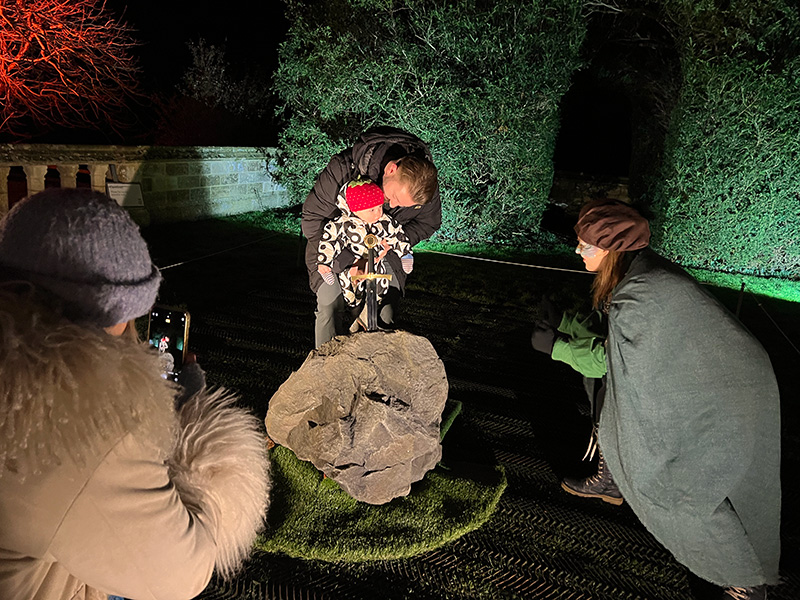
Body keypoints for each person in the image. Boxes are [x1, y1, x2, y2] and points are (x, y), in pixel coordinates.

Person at [0, 189, 271, 600]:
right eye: (130, 315)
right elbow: (182, 574)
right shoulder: (81, 424)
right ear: (114, 314)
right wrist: (182, 418)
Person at [532, 199, 781, 600]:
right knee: (671, 471)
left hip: (721, 396)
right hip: (704, 386)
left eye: (586, 245)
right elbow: (614, 339)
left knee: (682, 489)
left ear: (612, 249)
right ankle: (612, 480)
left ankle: (746, 583)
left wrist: (557, 347)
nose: (578, 251)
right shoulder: (635, 275)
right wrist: (565, 323)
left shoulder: (642, 293)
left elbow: (610, 361)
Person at [303, 126, 441, 347]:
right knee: (330, 304)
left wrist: (393, 241)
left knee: (385, 314)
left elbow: (429, 223)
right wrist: (348, 261)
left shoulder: (422, 184)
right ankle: (325, 363)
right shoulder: (345, 168)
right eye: (394, 197)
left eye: (402, 205)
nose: (392, 205)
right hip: (334, 254)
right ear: (392, 169)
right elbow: (312, 219)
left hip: (385, 256)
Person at [317, 178, 413, 330]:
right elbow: (329, 241)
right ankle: (354, 312)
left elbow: (397, 235)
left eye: (380, 207)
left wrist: (405, 254)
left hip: (376, 263)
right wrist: (324, 262)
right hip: (353, 264)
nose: (378, 213)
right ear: (355, 209)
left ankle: (370, 314)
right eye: (372, 210)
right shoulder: (342, 224)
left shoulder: (384, 222)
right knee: (350, 290)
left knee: (380, 288)